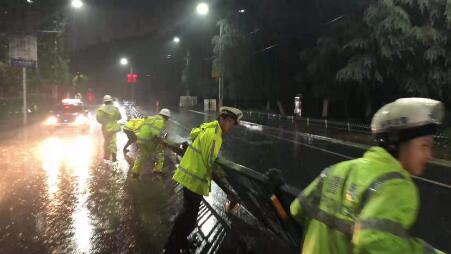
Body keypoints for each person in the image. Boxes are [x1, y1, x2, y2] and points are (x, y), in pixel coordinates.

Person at [290, 98, 446, 254]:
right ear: (395, 143)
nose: (429, 155)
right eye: (424, 145)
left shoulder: (335, 170)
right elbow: (373, 240)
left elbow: (297, 209)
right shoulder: (396, 185)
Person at [162, 106, 243, 254]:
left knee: (187, 216)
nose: (231, 126)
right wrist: (227, 188)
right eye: (230, 121)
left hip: (191, 177)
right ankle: (171, 248)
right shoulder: (214, 136)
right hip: (194, 180)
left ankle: (178, 242)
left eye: (233, 123)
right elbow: (210, 163)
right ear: (222, 119)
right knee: (188, 218)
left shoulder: (208, 129)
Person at [131, 108, 171, 178]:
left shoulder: (151, 118)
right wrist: (162, 141)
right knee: (160, 153)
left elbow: (141, 127)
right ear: (167, 117)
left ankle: (135, 172)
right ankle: (158, 170)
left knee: (141, 155)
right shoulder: (160, 120)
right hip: (148, 141)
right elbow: (156, 134)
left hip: (140, 139)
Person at [96, 95, 122, 162]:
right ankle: (113, 153)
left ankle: (106, 156)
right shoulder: (115, 108)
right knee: (113, 141)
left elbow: (99, 119)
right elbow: (119, 117)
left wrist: (104, 122)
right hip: (113, 128)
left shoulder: (101, 109)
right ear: (111, 101)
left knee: (106, 141)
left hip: (105, 128)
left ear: (104, 101)